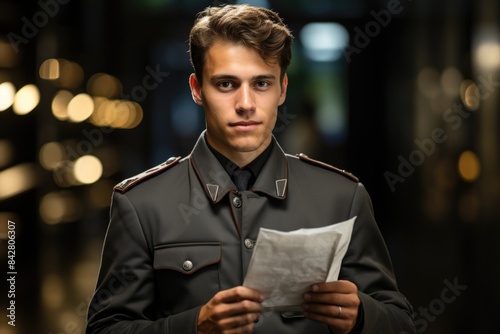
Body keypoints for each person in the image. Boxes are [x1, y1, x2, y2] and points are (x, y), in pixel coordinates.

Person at [86, 4, 416, 334]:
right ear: (197, 89)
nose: (245, 104)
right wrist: (194, 327)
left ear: (282, 89)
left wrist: (361, 316)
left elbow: (402, 323)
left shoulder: (342, 198)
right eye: (226, 84)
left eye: (261, 84)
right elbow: (105, 329)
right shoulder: (142, 205)